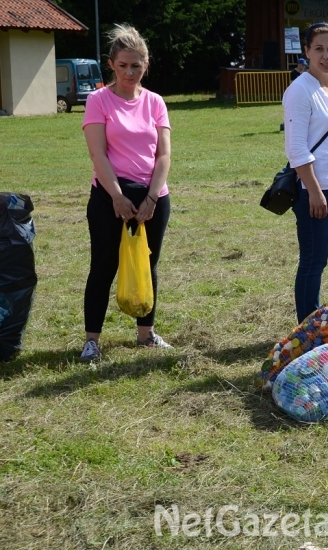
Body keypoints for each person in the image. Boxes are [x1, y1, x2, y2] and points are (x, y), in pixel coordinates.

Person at [79, 24, 172, 361]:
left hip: (153, 200)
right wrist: (117, 197)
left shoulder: (156, 102)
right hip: (108, 198)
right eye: (123, 65)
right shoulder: (98, 100)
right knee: (103, 266)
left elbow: (163, 155)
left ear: (146, 64)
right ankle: (92, 340)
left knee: (148, 265)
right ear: (111, 65)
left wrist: (150, 198)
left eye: (136, 65)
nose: (130, 72)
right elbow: (97, 154)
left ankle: (145, 334)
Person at [283, 22, 328, 322]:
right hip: (315, 189)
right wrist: (313, 190)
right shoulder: (300, 90)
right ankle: (307, 330)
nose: (326, 55)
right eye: (319, 49)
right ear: (307, 51)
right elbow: (296, 148)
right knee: (315, 261)